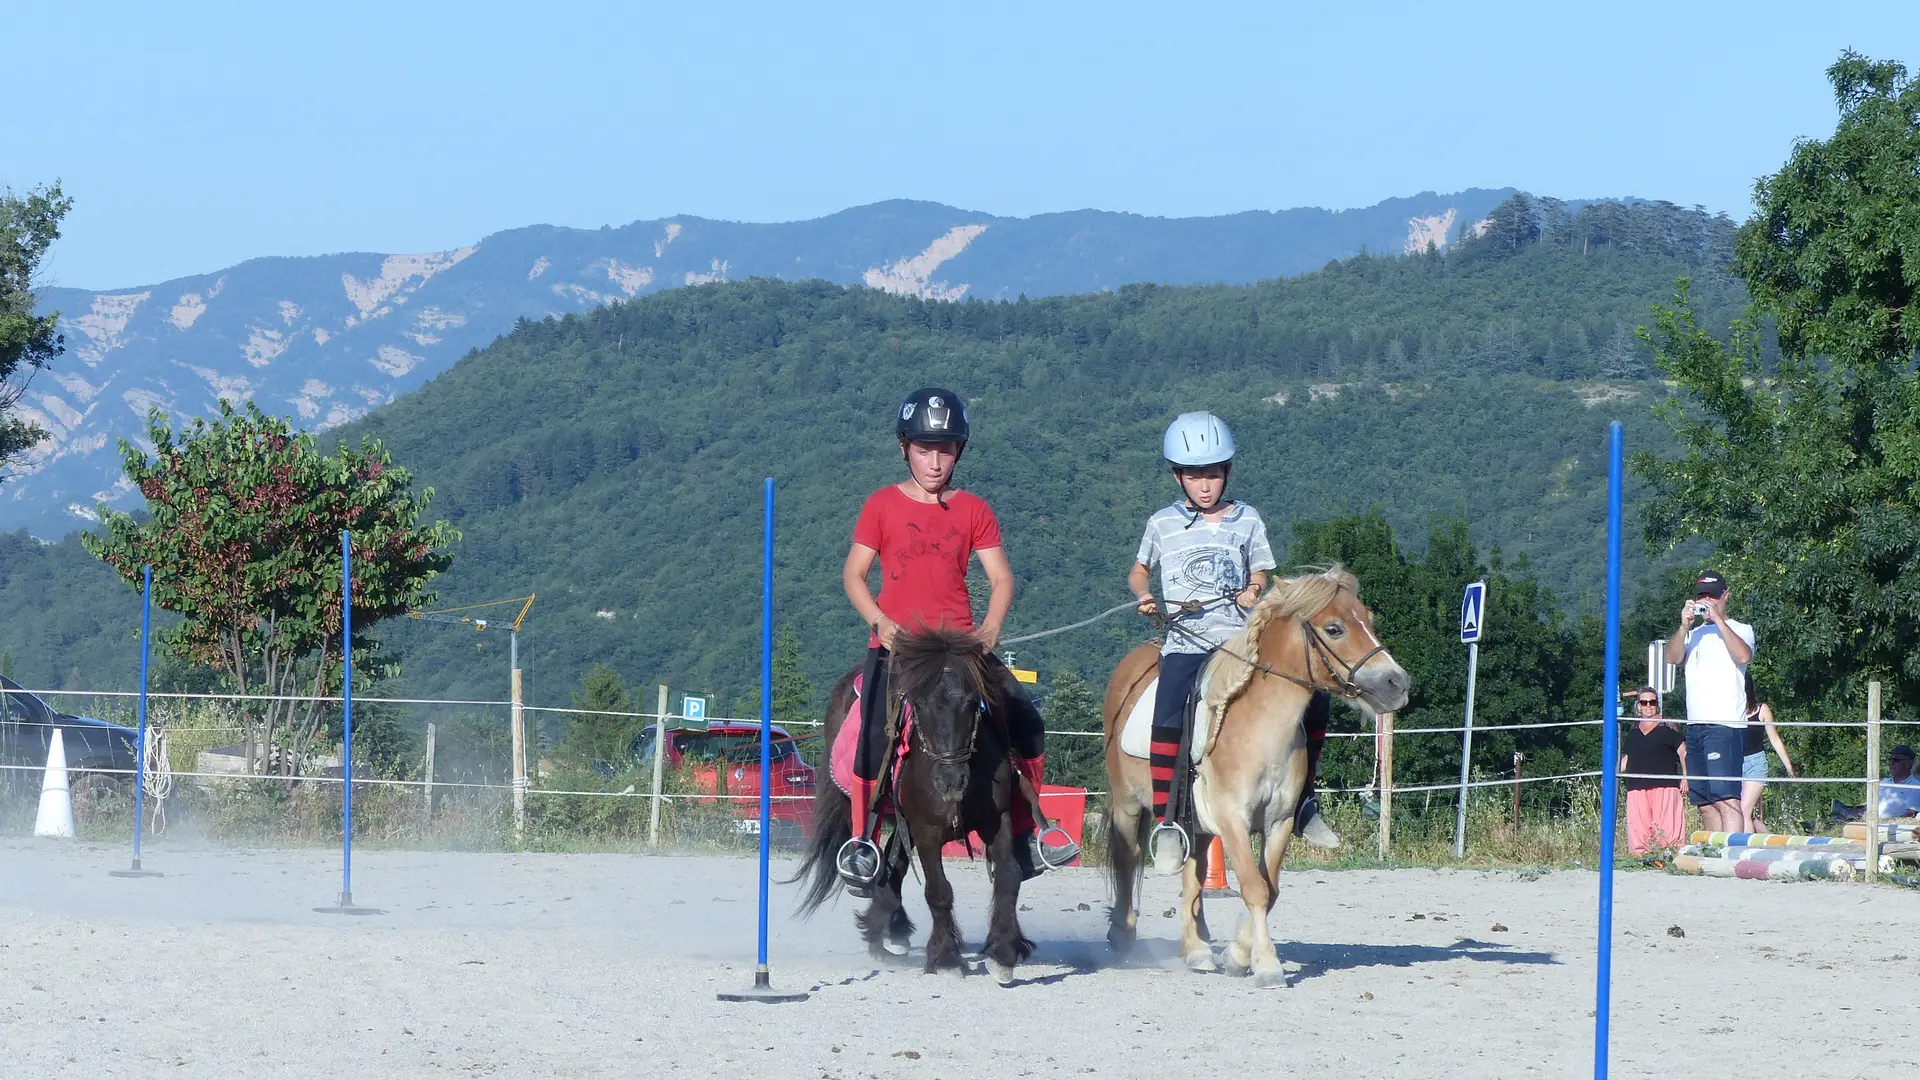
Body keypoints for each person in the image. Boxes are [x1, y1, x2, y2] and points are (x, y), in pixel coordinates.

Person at [837, 387, 1078, 895]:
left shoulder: (974, 510)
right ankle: (863, 841)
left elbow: (1002, 580)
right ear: (905, 449)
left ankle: (1029, 833)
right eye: (924, 449)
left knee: (1025, 720)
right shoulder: (881, 505)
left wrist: (989, 629)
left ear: (958, 453)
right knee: (868, 742)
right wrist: (880, 622)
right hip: (899, 649)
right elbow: (855, 576)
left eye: (944, 450)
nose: (934, 461)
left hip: (960, 650)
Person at [1127, 411, 1337, 876]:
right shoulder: (1162, 523)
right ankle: (1167, 821)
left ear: (1227, 472)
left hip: (1241, 640)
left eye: (1214, 474)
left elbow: (1261, 570)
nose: (1205, 485)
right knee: (1168, 710)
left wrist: (1254, 589)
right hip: (1185, 640)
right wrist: (1144, 594)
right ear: (1178, 476)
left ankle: (1305, 802)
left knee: (1315, 696)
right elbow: (1140, 569)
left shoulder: (1247, 519)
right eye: (1195, 475)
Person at [1663, 570, 1754, 835]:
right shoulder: (1694, 634)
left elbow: (1744, 656)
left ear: (1725, 596)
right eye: (1702, 596)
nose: (1707, 601)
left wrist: (1719, 621)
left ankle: (1733, 854)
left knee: (1727, 799)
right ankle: (1715, 855)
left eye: (1712, 597)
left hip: (1725, 725)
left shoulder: (1740, 629)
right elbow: (1672, 657)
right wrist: (1684, 626)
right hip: (1695, 725)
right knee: (1704, 803)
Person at [1620, 686, 1687, 857]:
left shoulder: (1668, 726)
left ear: (1657, 704)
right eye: (1644, 702)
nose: (1648, 706)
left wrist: (1686, 777)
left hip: (1664, 784)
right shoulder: (1634, 730)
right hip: (1637, 786)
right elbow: (1626, 757)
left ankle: (1670, 855)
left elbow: (1683, 752)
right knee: (1639, 827)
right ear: (1638, 706)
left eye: (1652, 702)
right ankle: (1641, 858)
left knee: (1667, 827)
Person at [1737, 672, 1796, 833]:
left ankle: (1745, 851)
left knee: (1744, 811)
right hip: (1734, 764)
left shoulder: (1762, 710)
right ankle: (1769, 840)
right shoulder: (1731, 711)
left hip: (1756, 764)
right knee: (1739, 813)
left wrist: (1788, 766)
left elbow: (1775, 739)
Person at [1880, 745, 1920, 819]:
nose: (1891, 763)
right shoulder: (1884, 782)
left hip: (1895, 828)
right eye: (1890, 759)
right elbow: (1869, 807)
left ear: (1907, 764)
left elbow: (1911, 814)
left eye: (1896, 760)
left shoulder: (1916, 786)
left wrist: (1889, 824)